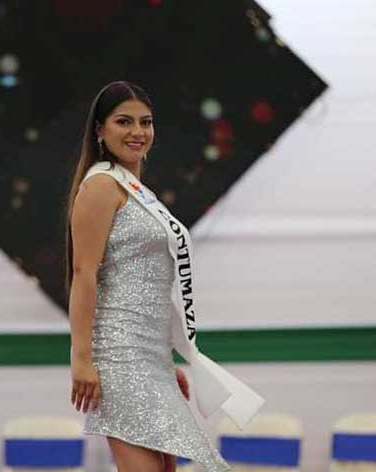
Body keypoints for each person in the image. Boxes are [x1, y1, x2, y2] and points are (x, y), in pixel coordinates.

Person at [65, 81, 263, 472]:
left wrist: (162, 360)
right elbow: (84, 274)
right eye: (124, 121)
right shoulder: (102, 185)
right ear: (100, 130)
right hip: (120, 357)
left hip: (150, 357)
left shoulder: (138, 192)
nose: (138, 131)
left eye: (146, 122)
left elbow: (142, 281)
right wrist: (82, 358)